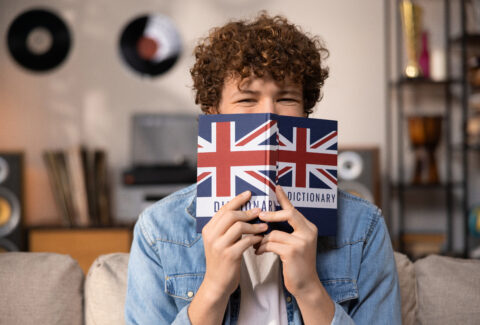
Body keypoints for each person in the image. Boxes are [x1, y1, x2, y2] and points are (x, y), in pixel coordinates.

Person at [125, 13, 401, 325]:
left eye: (286, 98)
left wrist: (309, 289)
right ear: (214, 114)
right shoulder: (158, 230)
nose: (269, 115)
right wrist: (213, 289)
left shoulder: (362, 227)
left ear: (305, 114)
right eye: (247, 99)